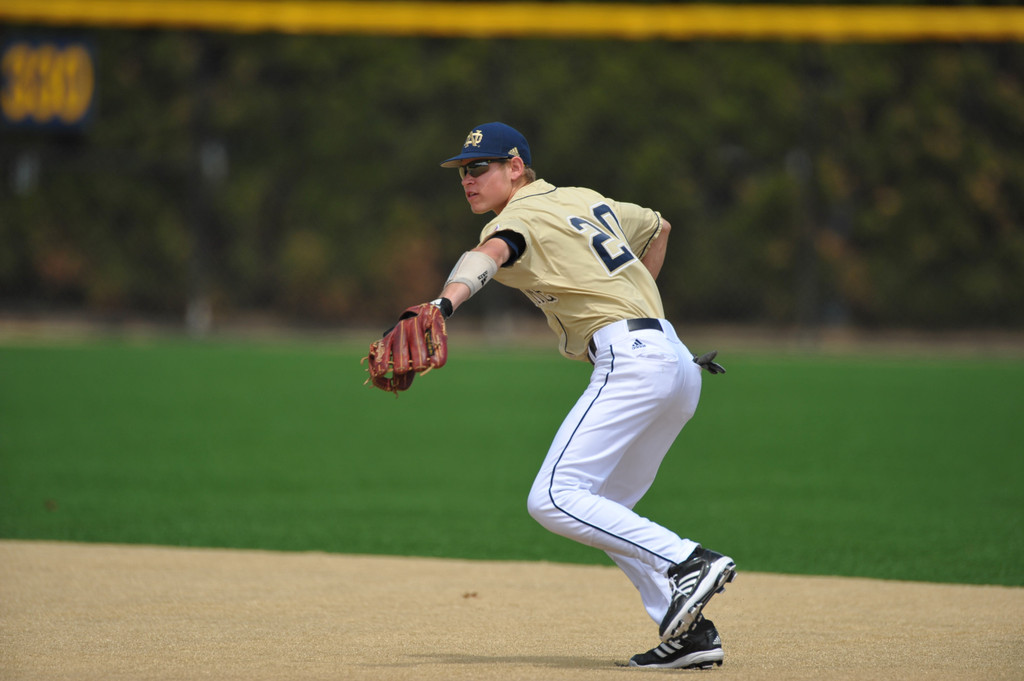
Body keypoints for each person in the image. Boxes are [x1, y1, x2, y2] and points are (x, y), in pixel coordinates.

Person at [419, 122, 736, 669]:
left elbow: (490, 255)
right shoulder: (583, 200)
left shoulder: (516, 216)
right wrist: (639, 304)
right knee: (605, 510)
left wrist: (441, 306)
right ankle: (689, 633)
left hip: (634, 362)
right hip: (675, 361)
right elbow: (659, 226)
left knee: (553, 498)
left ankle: (688, 561)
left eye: (480, 167)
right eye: (462, 172)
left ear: (516, 167)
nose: (468, 180)